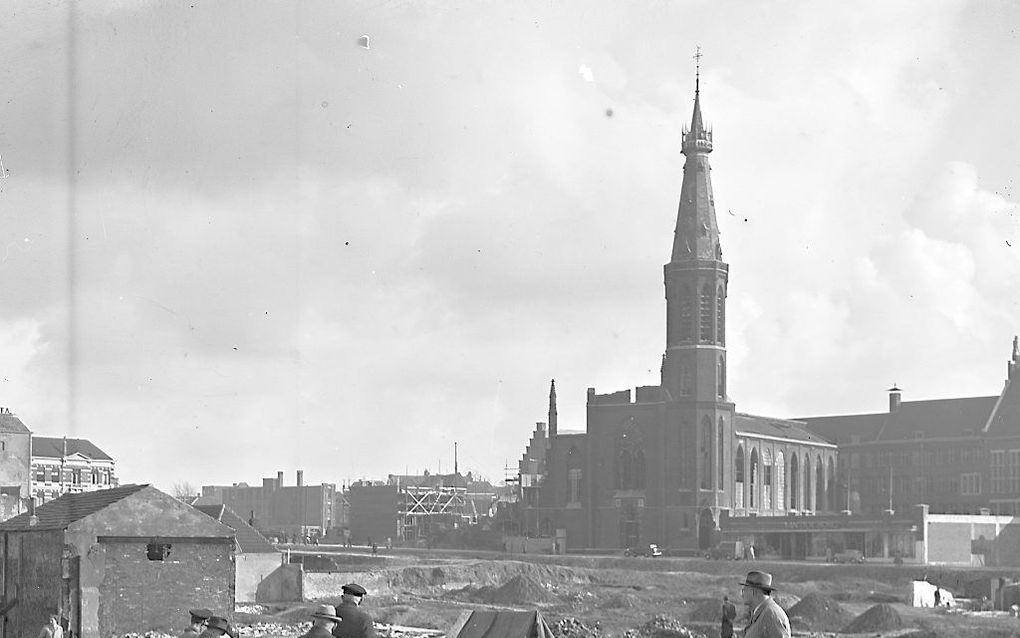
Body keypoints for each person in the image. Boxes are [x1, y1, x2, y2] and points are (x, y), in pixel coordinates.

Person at [740, 570, 791, 638]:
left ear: (753, 591)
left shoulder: (770, 615)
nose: (742, 594)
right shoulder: (761, 612)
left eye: (744, 590)